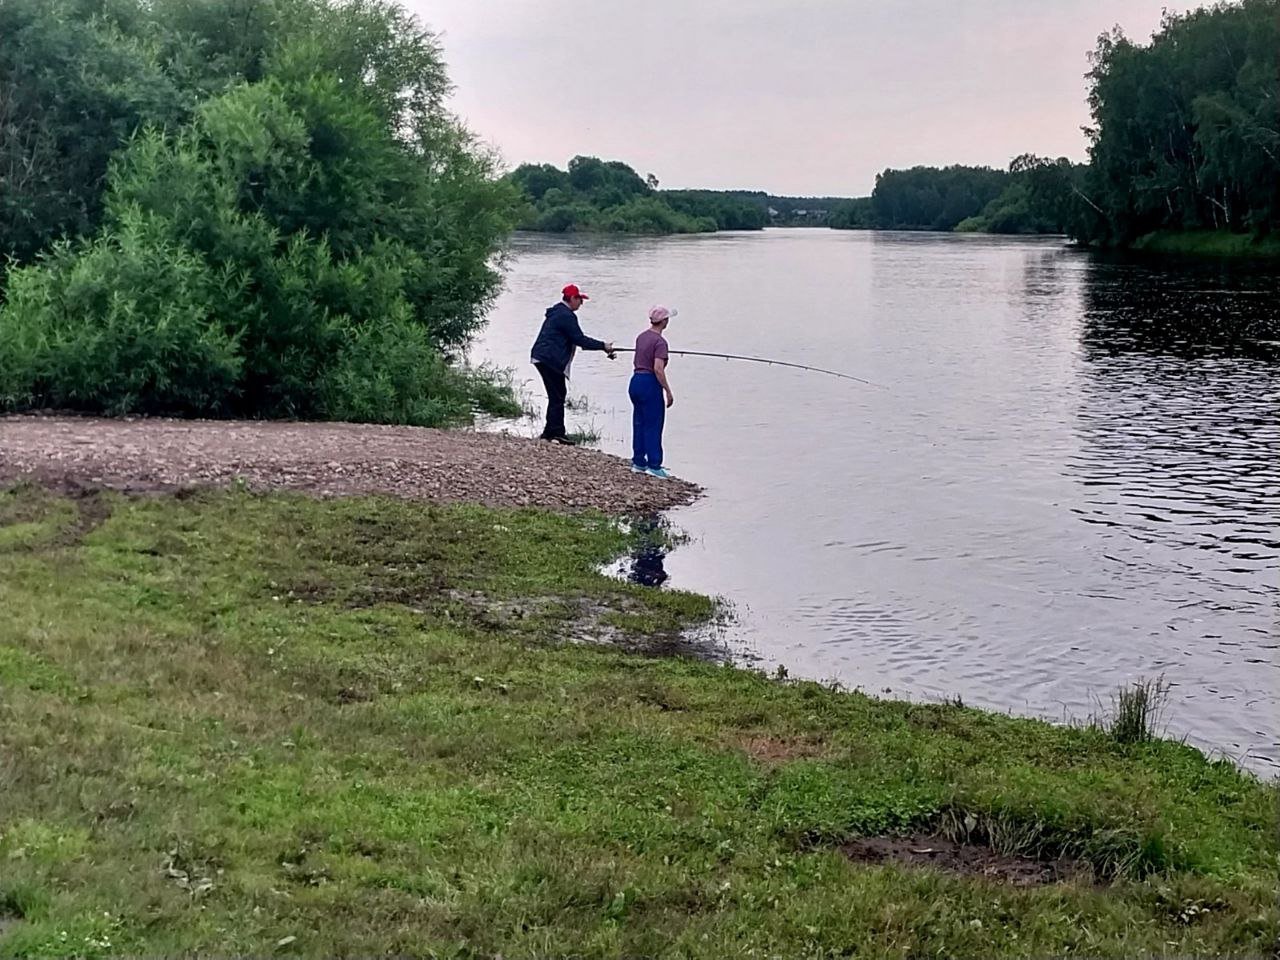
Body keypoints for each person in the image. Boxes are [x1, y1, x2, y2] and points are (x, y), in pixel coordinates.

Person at [529, 283, 614, 444]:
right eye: (580, 300)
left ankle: (550, 432)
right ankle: (557, 433)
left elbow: (576, 341)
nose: (581, 303)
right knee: (558, 394)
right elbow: (579, 339)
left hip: (543, 357)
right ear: (572, 298)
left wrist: (600, 347)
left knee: (557, 394)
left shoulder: (558, 312)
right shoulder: (566, 315)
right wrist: (603, 346)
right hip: (549, 359)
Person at [629, 304, 676, 478]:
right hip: (649, 383)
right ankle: (654, 465)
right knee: (653, 424)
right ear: (664, 321)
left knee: (639, 422)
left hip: (635, 381)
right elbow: (658, 368)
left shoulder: (641, 337)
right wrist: (668, 391)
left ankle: (639, 462)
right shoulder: (660, 342)